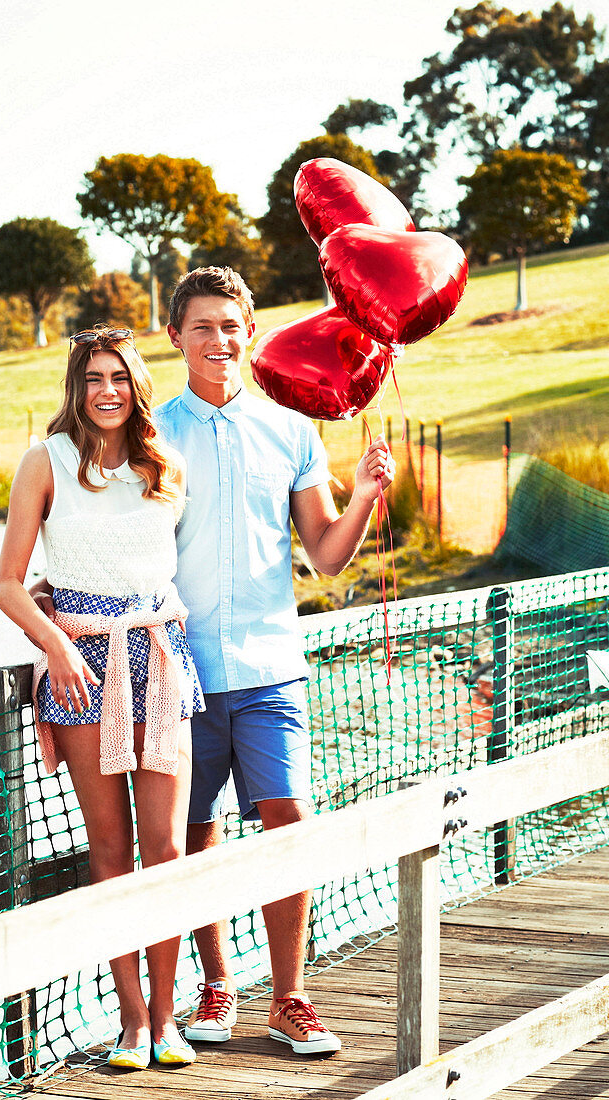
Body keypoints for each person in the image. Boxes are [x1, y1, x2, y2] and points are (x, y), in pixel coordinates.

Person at [157, 266, 395, 1056]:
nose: (218, 341)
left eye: (231, 326)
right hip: (180, 674)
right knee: (195, 835)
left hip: (270, 669)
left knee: (288, 826)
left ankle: (289, 997)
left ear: (250, 332)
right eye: (201, 327)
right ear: (174, 338)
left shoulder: (293, 432)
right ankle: (217, 986)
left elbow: (326, 557)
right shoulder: (150, 435)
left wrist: (361, 495)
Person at [0, 326, 204, 1071]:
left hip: (158, 657)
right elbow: (9, 584)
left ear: (135, 384)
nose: (107, 391)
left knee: (169, 852)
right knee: (110, 851)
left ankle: (171, 1017)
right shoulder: (43, 461)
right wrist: (55, 647)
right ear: (75, 389)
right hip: (78, 665)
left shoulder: (163, 465)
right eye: (92, 379)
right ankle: (133, 1020)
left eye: (118, 377)